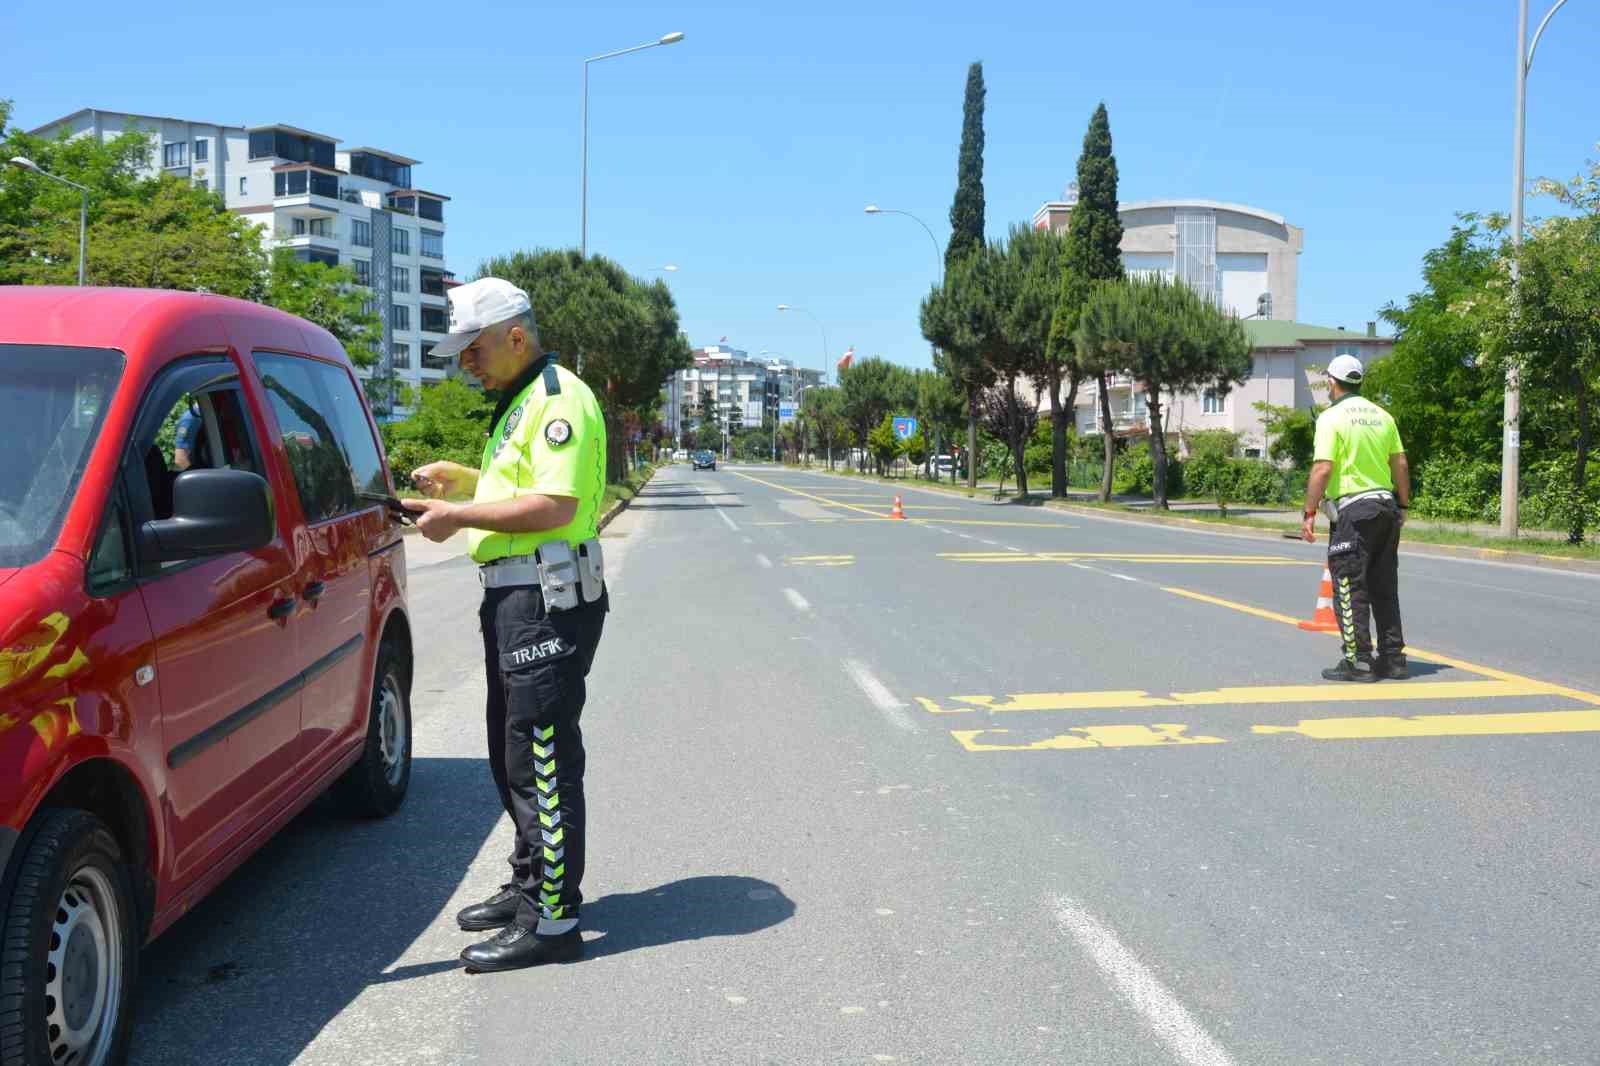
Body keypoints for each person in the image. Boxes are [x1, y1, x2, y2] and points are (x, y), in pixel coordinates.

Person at [403, 278, 609, 972]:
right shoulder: (519, 401)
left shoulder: (556, 400)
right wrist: (465, 482)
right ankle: (530, 886)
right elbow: (520, 488)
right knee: (510, 751)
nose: (467, 363)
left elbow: (553, 504)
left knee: (541, 760)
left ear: (516, 336)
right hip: (515, 601)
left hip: (545, 601)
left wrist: (458, 517)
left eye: (475, 349)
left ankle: (552, 922)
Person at [1301, 354, 1411, 683]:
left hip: (1354, 512)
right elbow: (1401, 464)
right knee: (1384, 586)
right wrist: (1403, 505)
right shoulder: (1383, 416)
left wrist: (1309, 512)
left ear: (1332, 383)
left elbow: (1322, 468)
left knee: (1349, 585)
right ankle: (1393, 659)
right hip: (1386, 508)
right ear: (1358, 381)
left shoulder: (1331, 418)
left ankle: (1358, 660)